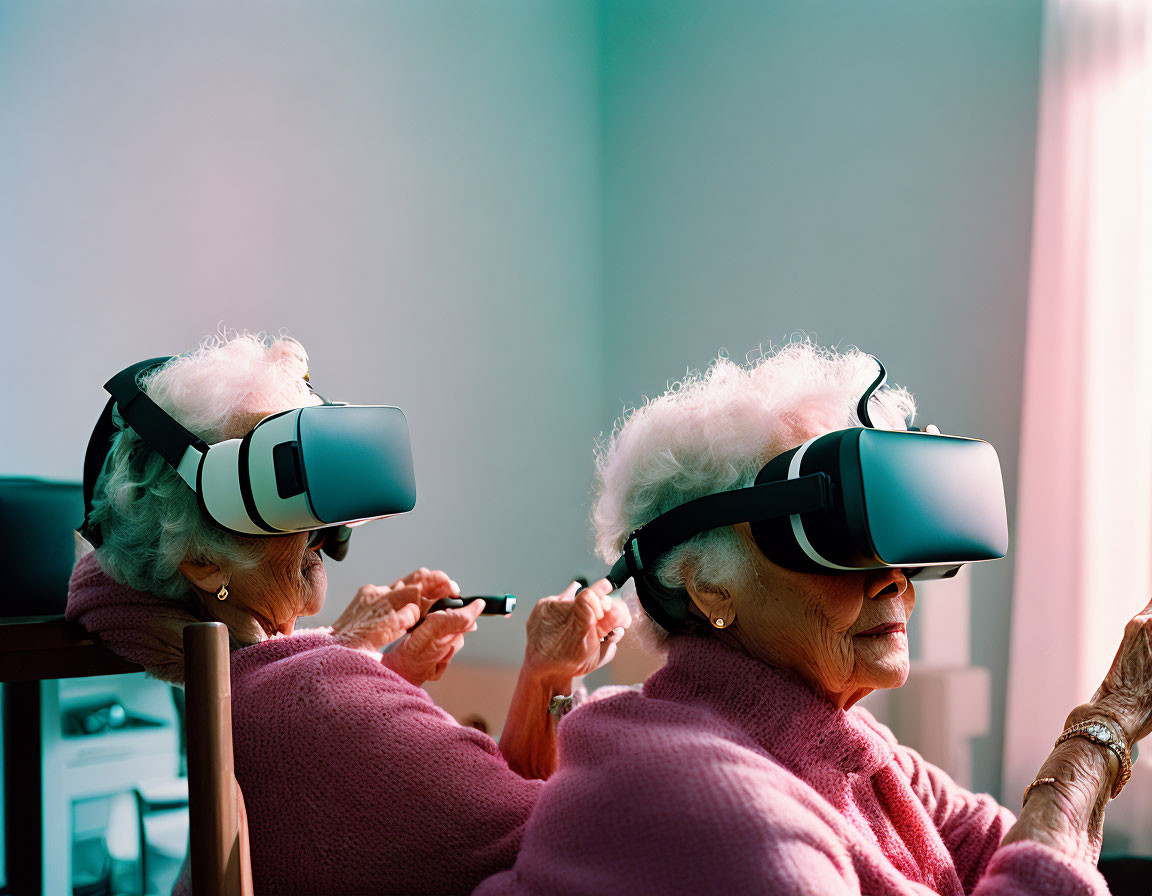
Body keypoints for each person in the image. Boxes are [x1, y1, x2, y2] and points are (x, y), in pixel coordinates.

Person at [477, 342, 1151, 896]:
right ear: (709, 584)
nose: (892, 578)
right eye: (838, 537)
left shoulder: (845, 746)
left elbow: (1006, 852)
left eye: (894, 537)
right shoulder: (693, 794)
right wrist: (1105, 727)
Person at [66, 331, 630, 896]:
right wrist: (557, 680)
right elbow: (565, 845)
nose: (327, 528)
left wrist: (358, 654)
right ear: (202, 563)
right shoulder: (315, 705)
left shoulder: (242, 688)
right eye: (284, 488)